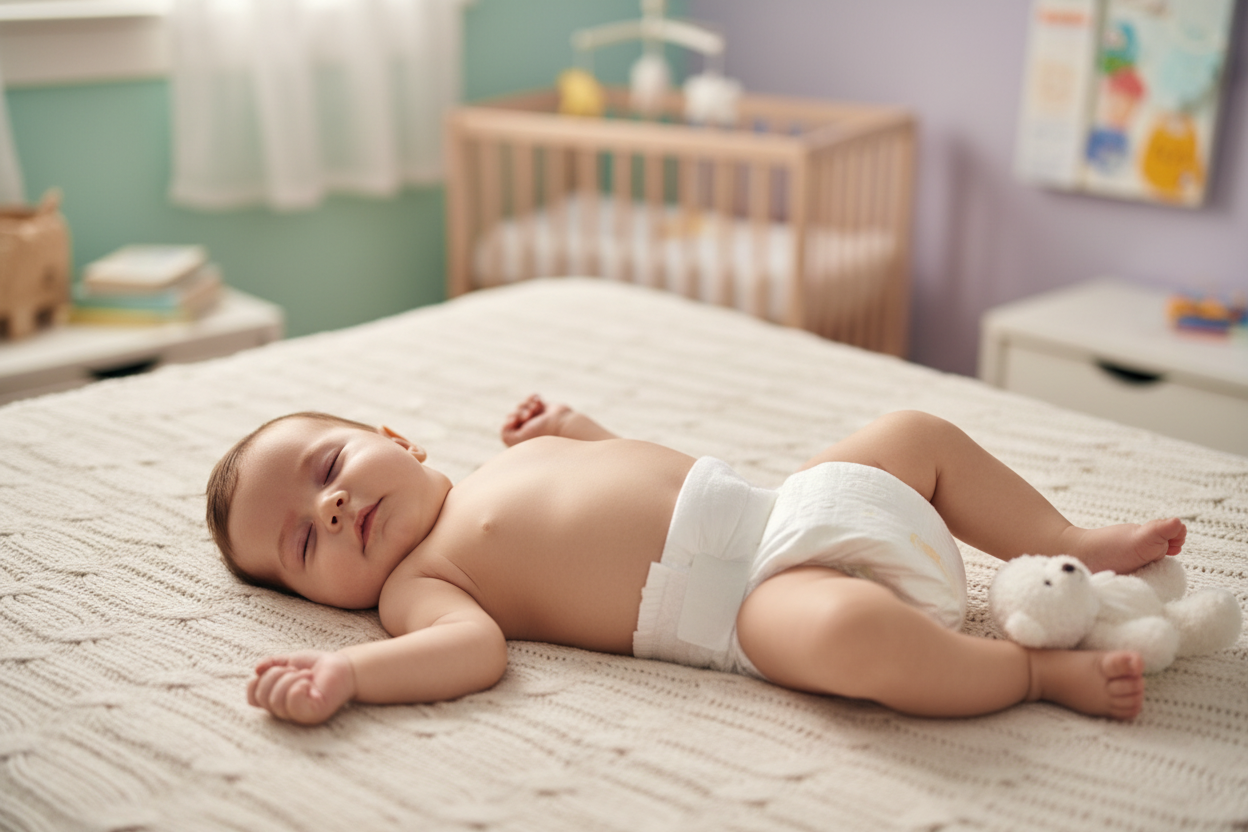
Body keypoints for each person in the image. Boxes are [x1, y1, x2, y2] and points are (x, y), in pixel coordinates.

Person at [208, 397, 1187, 726]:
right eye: (302, 541)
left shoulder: (510, 461)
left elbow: (630, 469)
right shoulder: (422, 587)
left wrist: (577, 427)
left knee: (911, 431)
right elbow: (470, 654)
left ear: (399, 437)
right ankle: (1028, 672)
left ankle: (1062, 542)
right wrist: (351, 673)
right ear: (320, 597)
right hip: (749, 600)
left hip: (789, 503)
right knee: (849, 638)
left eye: (328, 466)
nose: (331, 507)